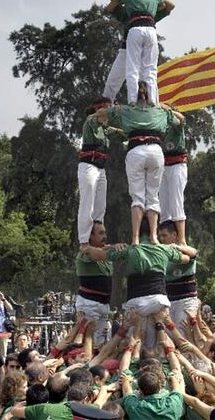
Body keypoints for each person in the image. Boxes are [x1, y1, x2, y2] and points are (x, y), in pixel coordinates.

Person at [81, 218, 191, 347]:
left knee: (134, 345)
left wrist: (86, 247)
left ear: (136, 230)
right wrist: (177, 246)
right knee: (159, 346)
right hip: (159, 302)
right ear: (154, 231)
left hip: (136, 305)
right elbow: (186, 258)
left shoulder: (128, 250)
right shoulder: (163, 249)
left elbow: (99, 255)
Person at [96, 82, 183, 244]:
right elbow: (181, 120)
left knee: (137, 197)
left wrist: (103, 114)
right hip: (155, 151)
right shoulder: (159, 110)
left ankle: (135, 237)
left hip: (136, 150)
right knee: (152, 197)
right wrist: (167, 109)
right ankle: (154, 236)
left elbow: (100, 114)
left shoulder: (125, 109)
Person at [104, 0, 172, 104]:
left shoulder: (149, 1)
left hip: (139, 39)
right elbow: (111, 5)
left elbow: (168, 6)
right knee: (115, 82)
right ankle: (103, 109)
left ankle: (149, 107)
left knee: (144, 75)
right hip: (128, 44)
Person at [76, 221, 122, 344]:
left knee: (100, 343)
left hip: (103, 305)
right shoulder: (85, 252)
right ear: (90, 236)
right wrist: (111, 248)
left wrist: (116, 247)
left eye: (105, 232)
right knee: (87, 343)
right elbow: (98, 255)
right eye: (101, 233)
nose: (104, 236)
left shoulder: (105, 251)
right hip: (89, 304)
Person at [77, 97, 113, 245]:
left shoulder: (104, 128)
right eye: (106, 110)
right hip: (89, 166)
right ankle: (84, 241)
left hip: (100, 168)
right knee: (87, 203)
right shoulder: (91, 120)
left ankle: (98, 239)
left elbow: (120, 133)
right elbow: (97, 118)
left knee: (100, 206)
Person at [158, 220, 199, 329]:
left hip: (186, 301)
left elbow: (194, 252)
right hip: (169, 302)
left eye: (164, 235)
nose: (161, 239)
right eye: (160, 236)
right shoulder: (162, 254)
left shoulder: (184, 251)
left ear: (174, 235)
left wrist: (178, 247)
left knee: (184, 335)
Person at [159, 110, 188, 244]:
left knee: (176, 201)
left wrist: (167, 109)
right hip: (164, 166)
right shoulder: (161, 128)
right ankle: (165, 238)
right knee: (163, 203)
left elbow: (182, 119)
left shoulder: (176, 125)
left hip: (177, 165)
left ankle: (181, 240)